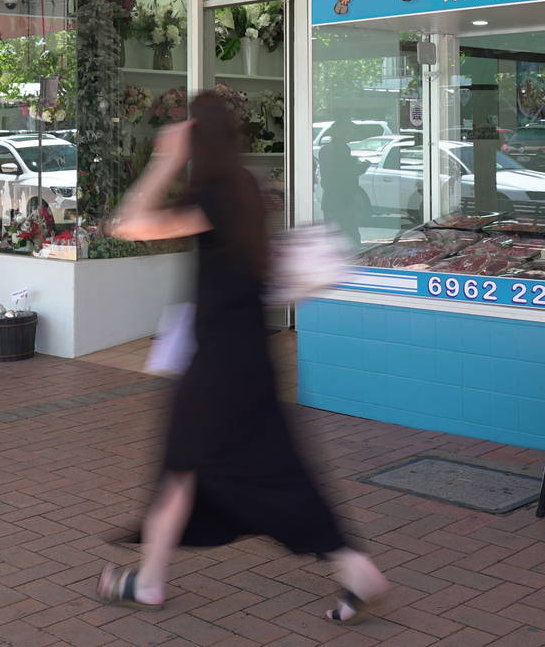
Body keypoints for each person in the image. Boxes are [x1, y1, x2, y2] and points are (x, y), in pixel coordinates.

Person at [99, 91, 388, 624]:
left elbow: (129, 224)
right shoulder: (244, 188)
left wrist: (165, 160)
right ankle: (355, 569)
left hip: (219, 367)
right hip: (250, 358)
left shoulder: (213, 199)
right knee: (256, 467)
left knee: (197, 466)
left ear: (197, 139)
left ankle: (151, 582)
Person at [316, 122, 369, 246]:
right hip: (343, 201)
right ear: (339, 132)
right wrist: (363, 166)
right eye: (348, 131)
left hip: (330, 200)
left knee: (333, 238)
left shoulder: (325, 150)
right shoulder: (341, 149)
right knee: (350, 237)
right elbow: (346, 172)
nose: (350, 134)